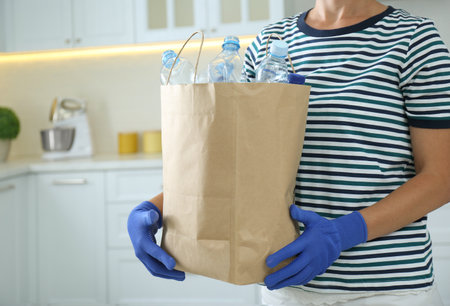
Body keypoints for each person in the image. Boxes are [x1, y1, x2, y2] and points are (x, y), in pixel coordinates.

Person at [128, 0, 450, 305]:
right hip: (286, 283)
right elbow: (236, 159)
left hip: (388, 289)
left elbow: (441, 176)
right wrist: (157, 207)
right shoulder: (271, 43)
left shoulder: (414, 41)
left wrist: (344, 233)